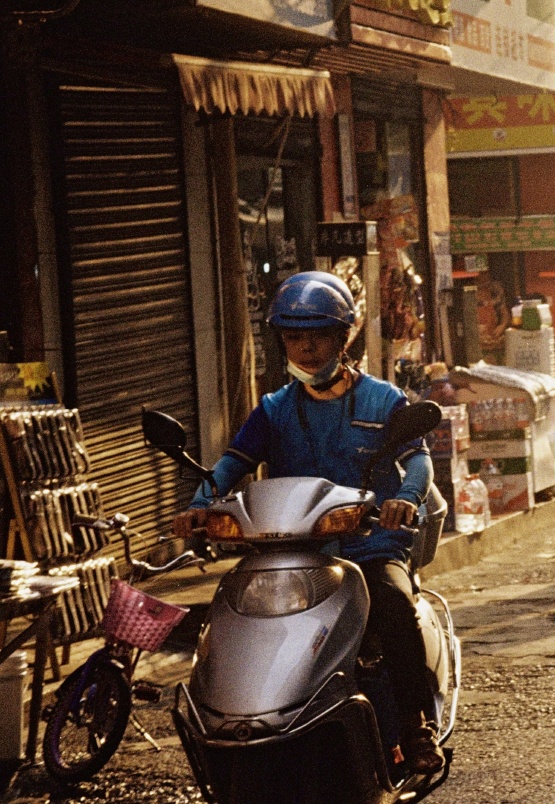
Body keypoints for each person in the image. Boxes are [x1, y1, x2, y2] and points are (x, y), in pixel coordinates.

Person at [173, 272, 446, 775]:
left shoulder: (383, 399)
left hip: (369, 546)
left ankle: (415, 724)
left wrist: (406, 498)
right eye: (294, 337)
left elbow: (419, 460)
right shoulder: (273, 410)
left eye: (318, 335)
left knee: (392, 604)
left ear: (343, 338)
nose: (306, 348)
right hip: (293, 552)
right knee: (235, 613)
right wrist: (199, 504)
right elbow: (231, 464)